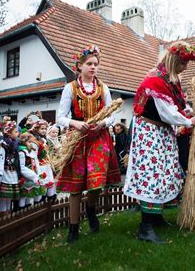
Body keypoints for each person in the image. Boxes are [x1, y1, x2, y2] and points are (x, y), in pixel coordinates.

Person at [123, 41, 195, 244]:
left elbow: (175, 106)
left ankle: (155, 218)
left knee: (165, 172)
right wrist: (188, 121)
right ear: (174, 60)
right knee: (152, 174)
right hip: (150, 132)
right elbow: (166, 112)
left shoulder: (169, 80)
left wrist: (188, 112)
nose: (185, 68)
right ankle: (145, 227)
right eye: (183, 63)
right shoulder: (156, 80)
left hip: (161, 132)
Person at [56, 44, 120, 244]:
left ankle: (91, 210)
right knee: (76, 188)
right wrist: (76, 123)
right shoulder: (70, 88)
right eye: (89, 64)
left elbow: (111, 114)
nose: (93, 67)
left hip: (99, 140)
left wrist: (103, 122)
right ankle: (73, 228)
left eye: (96, 64)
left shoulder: (103, 88)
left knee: (96, 183)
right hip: (77, 140)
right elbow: (60, 117)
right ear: (79, 66)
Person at [0, 122, 36, 216]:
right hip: (5, 172)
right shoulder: (3, 145)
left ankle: (8, 213)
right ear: (8, 133)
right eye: (15, 131)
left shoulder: (15, 144)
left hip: (13, 173)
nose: (18, 133)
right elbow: (1, 159)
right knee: (4, 196)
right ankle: (3, 214)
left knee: (9, 196)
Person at [30, 120, 56, 201]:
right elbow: (34, 157)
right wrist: (38, 171)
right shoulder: (35, 141)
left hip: (47, 166)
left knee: (50, 186)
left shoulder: (45, 140)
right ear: (36, 129)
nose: (44, 130)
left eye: (45, 128)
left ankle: (48, 206)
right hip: (40, 167)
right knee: (42, 189)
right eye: (42, 128)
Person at [18, 132, 43, 209]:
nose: (32, 145)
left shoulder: (32, 153)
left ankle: (28, 211)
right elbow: (21, 167)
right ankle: (21, 211)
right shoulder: (22, 152)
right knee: (24, 196)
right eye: (30, 142)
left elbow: (36, 164)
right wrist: (33, 175)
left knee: (30, 194)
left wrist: (39, 174)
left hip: (33, 176)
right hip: (26, 177)